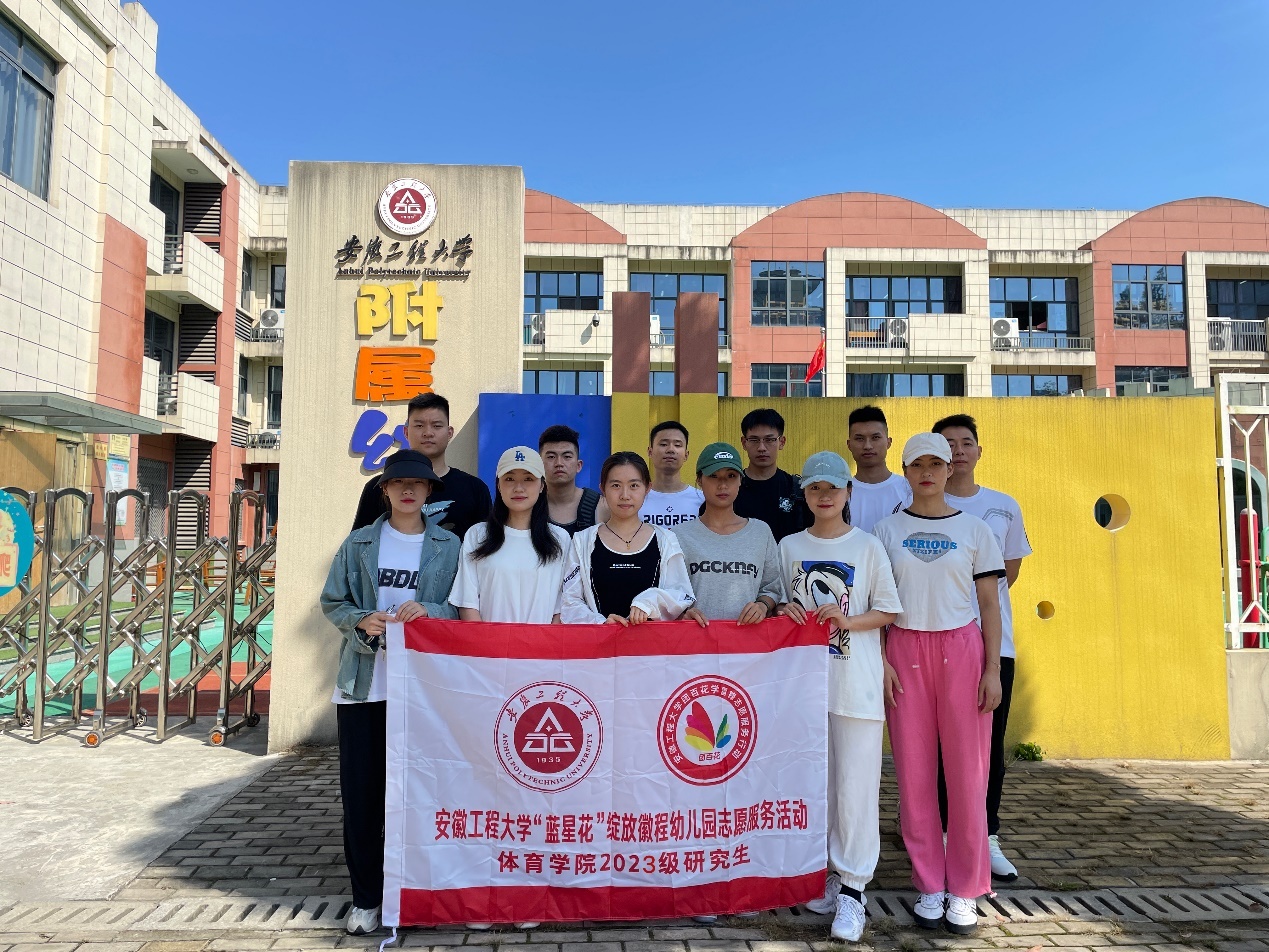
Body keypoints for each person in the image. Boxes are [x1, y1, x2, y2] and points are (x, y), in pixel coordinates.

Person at [319, 450, 461, 937]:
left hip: (423, 689)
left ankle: (417, 892)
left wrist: (432, 611)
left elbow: (462, 607)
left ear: (429, 491)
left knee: (423, 794)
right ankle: (366, 898)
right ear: (384, 490)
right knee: (362, 797)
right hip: (364, 685)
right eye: (398, 483)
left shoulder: (449, 545)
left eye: (417, 484)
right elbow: (333, 601)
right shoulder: (359, 542)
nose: (408, 490)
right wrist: (361, 619)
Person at [872, 432, 1004, 936]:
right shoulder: (886, 530)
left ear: (951, 468)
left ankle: (966, 887)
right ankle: (928, 882)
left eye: (936, 463)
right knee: (913, 774)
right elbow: (878, 603)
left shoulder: (975, 529)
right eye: (917, 464)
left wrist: (992, 669)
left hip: (962, 651)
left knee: (968, 774)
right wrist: (882, 661)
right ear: (905, 471)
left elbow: (989, 604)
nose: (926, 472)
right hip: (905, 651)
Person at [776, 451, 902, 942]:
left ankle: (854, 889)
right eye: (815, 488)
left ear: (848, 493)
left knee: (855, 790)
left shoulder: (867, 546)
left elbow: (888, 609)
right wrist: (784, 610)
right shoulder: (789, 546)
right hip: (805, 690)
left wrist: (847, 620)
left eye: (833, 487)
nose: (824, 496)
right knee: (818, 789)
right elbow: (781, 602)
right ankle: (828, 875)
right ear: (804, 494)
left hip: (856, 686)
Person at [449, 444, 568, 932]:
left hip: (540, 682)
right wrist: (489, 664)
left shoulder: (559, 540)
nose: (519, 487)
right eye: (510, 479)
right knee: (485, 786)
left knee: (534, 789)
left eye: (528, 479)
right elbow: (468, 605)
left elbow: (562, 611)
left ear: (541, 487)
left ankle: (527, 892)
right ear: (498, 486)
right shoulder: (479, 536)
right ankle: (484, 893)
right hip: (489, 678)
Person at [672, 441, 786, 922]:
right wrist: (683, 609)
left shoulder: (761, 533)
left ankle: (740, 879)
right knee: (696, 775)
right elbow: (668, 593)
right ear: (699, 481)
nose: (723, 485)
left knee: (742, 775)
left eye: (731, 477)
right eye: (714, 477)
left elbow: (776, 588)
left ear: (740, 482)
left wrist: (764, 603)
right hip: (693, 674)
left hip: (747, 673)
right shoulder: (680, 536)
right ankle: (701, 880)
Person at [933, 414, 1032, 883]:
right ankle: (944, 835)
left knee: (989, 746)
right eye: (948, 444)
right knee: (940, 746)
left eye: (965, 442)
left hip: (994, 643)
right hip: (935, 640)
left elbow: (1007, 574)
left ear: (978, 451)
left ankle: (987, 835)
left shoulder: (1003, 506)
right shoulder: (917, 504)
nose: (957, 451)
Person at [561, 451, 695, 625]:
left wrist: (648, 602)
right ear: (603, 489)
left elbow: (681, 595)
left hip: (653, 642)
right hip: (600, 641)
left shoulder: (665, 540)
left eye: (634, 486)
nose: (625, 495)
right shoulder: (582, 542)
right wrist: (600, 623)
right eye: (616, 485)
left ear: (647, 489)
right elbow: (570, 602)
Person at [352, 392, 492, 540]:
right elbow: (358, 544)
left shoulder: (474, 488)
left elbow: (487, 546)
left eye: (437, 426)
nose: (428, 433)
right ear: (406, 432)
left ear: (449, 432)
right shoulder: (379, 487)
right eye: (419, 425)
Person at [733, 408, 813, 542]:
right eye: (754, 440)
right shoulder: (731, 490)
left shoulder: (797, 490)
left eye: (769, 440)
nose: (762, 448)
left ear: (782, 442)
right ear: (744, 443)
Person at [845, 405, 911, 533]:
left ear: (888, 442)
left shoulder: (909, 490)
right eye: (859, 439)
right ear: (849, 445)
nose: (867, 446)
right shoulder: (840, 494)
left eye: (875, 438)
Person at [538, 424, 608, 535]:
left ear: (578, 465)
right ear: (539, 464)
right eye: (551, 457)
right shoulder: (530, 506)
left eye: (567, 457)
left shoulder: (601, 506)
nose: (559, 463)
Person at [639, 421, 706, 528]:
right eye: (663, 444)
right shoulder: (637, 499)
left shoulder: (702, 500)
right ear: (650, 452)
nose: (670, 449)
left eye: (677, 445)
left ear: (686, 455)